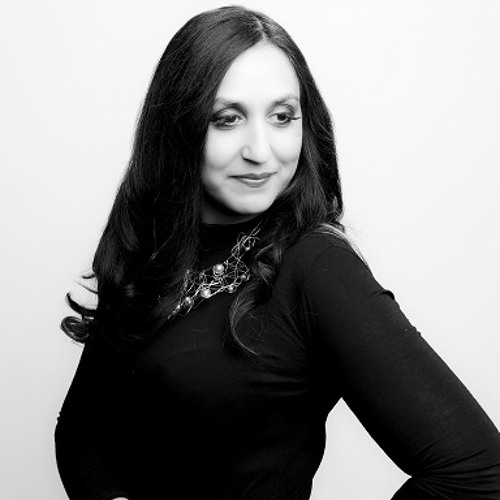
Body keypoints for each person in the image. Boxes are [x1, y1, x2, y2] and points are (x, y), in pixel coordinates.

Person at [55, 5, 500, 500]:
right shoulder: (152, 243)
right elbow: (82, 426)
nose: (261, 151)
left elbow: (479, 475)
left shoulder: (316, 265)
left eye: (282, 117)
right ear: (178, 127)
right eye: (227, 119)